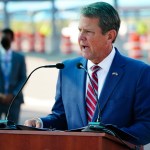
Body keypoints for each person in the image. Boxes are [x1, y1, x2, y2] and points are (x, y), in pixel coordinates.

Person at [24, 2, 150, 145]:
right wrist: (41, 123)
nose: (81, 37)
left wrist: (110, 138)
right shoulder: (67, 69)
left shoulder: (139, 72)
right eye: (80, 30)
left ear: (110, 36)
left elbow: (146, 125)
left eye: (88, 32)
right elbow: (62, 116)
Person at [0, 28, 27, 124]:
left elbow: (23, 78)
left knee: (12, 129)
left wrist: (14, 93)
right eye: (2, 37)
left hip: (14, 101)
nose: (4, 39)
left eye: (7, 37)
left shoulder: (19, 57)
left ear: (12, 39)